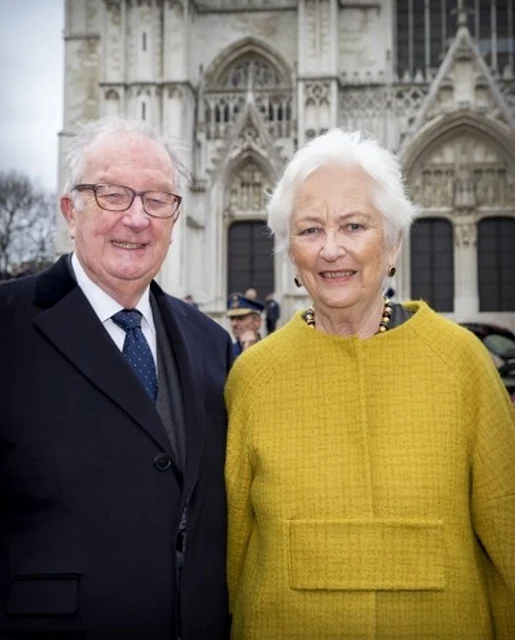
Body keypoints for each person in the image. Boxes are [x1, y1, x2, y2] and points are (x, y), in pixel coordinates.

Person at [225, 129, 515, 639]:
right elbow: (233, 547)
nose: (331, 250)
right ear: (290, 253)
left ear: (395, 241)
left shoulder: (462, 362)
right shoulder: (253, 376)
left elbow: (506, 531)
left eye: (354, 225)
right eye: (310, 230)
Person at [0, 117, 232, 640]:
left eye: (157, 199)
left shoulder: (210, 342)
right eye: (112, 195)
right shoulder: (7, 325)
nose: (136, 219)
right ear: (69, 211)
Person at [226, 292, 264, 357]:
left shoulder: (269, 349)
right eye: (232, 319)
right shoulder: (227, 353)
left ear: (257, 321)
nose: (234, 324)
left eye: (241, 318)